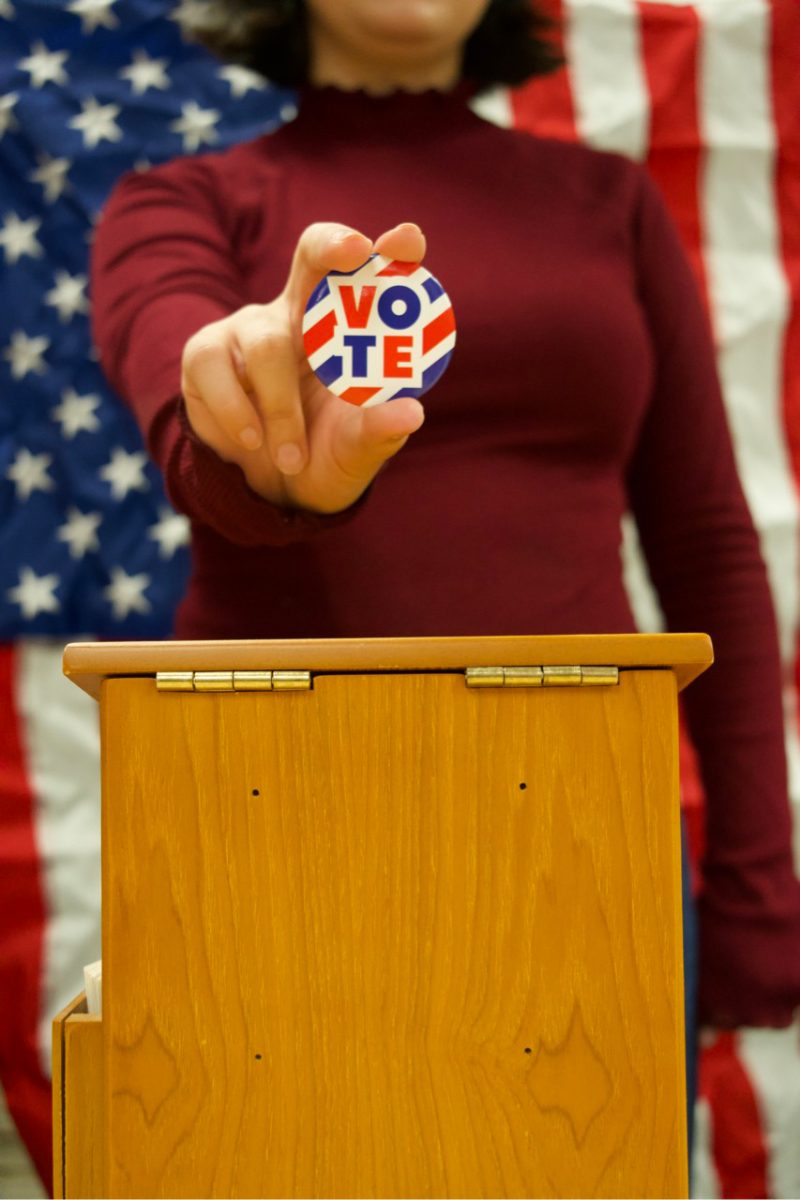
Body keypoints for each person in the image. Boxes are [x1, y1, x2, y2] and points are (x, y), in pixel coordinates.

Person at [91, 0, 800, 1051]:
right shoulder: (177, 205)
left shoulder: (607, 200)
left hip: (581, 840)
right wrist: (274, 454)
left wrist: (754, 885)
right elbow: (197, 422)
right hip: (272, 826)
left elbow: (703, 543)